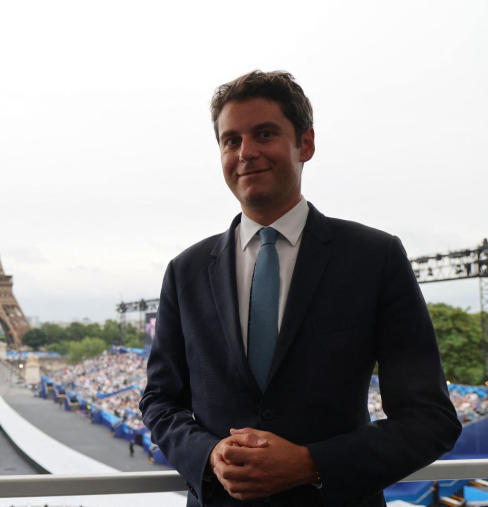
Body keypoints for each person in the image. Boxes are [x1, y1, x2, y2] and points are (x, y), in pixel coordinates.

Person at [139, 70, 461, 507]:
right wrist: (209, 454)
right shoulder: (185, 271)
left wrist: (312, 463)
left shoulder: (374, 257)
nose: (246, 152)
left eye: (265, 134)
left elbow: (431, 418)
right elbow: (160, 400)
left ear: (305, 144)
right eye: (230, 140)